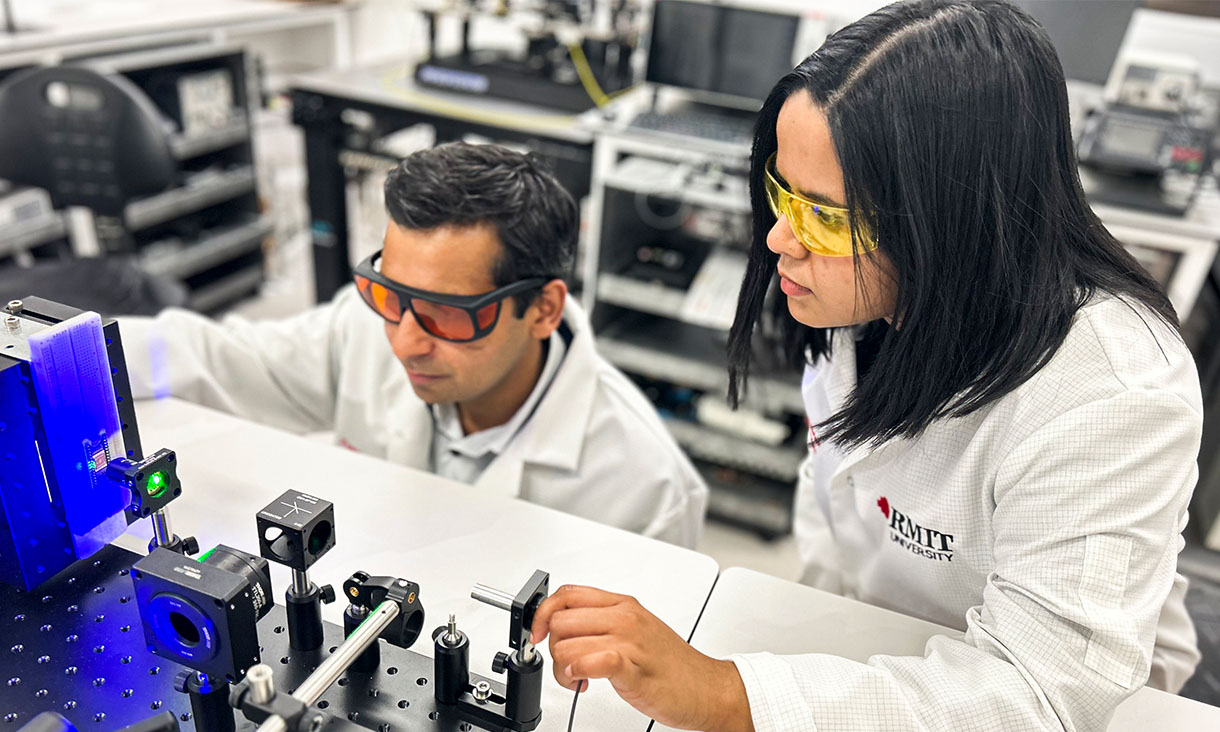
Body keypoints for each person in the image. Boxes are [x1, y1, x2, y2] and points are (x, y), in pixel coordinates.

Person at [529, 1, 1203, 729]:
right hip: (881, 657)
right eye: (782, 192)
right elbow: (836, 504)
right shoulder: (867, 303)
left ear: (950, 219)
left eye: (824, 215)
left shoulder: (1111, 396)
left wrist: (729, 695)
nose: (780, 239)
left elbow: (1038, 695)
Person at [121, 142, 707, 548]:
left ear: (543, 309)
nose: (404, 343)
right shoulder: (363, 328)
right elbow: (213, 358)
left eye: (448, 313)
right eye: (390, 294)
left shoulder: (647, 490)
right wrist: (75, 355)